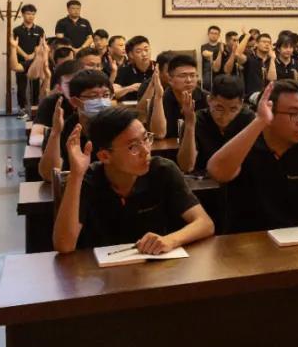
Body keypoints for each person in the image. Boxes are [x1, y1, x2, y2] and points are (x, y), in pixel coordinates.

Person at [52, 107, 214, 253]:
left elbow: (205, 223)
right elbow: (64, 245)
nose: (146, 151)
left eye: (146, 139)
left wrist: (170, 240)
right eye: (134, 147)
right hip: (100, 272)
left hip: (155, 268)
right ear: (105, 156)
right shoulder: (87, 180)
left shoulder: (163, 171)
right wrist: (76, 175)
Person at [207, 81, 298, 234]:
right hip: (249, 241)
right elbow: (217, 172)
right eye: (293, 114)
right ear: (270, 115)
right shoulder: (245, 147)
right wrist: (260, 121)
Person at [39, 68, 114, 182]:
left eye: (106, 95)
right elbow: (49, 175)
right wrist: (55, 133)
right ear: (74, 101)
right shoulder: (64, 129)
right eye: (93, 96)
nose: (101, 102)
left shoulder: (119, 126)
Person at [177, 74, 253, 173]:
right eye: (219, 108)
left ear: (241, 104)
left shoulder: (248, 120)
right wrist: (190, 125)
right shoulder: (197, 120)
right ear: (209, 100)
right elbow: (186, 166)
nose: (225, 116)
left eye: (233, 109)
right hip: (203, 180)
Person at [162, 54, 208, 139]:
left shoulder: (207, 99)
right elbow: (157, 134)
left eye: (192, 75)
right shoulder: (161, 99)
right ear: (170, 80)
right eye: (183, 76)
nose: (189, 80)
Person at [12, 3, 45, 113]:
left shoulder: (39, 30)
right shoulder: (17, 30)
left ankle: (35, 108)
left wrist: (32, 55)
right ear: (23, 14)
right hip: (20, 62)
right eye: (28, 14)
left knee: (35, 86)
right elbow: (14, 45)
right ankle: (22, 108)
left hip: (35, 61)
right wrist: (25, 55)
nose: (31, 16)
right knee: (21, 86)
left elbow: (41, 45)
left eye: (33, 14)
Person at [235, 32, 277, 98]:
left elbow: (272, 79)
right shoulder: (250, 58)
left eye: (269, 42)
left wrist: (272, 59)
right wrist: (247, 36)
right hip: (251, 96)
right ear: (256, 44)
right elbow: (237, 54)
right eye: (264, 42)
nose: (267, 44)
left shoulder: (272, 60)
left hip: (268, 96)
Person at [114, 35, 154, 100]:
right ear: (131, 55)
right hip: (131, 105)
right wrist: (130, 88)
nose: (144, 54)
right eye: (138, 51)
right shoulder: (124, 70)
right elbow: (115, 93)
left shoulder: (158, 68)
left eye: (146, 50)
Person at [200, 26, 224, 91]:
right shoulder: (204, 46)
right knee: (207, 82)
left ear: (219, 35)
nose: (213, 35)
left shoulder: (222, 45)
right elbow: (205, 54)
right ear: (208, 34)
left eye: (216, 33)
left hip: (221, 70)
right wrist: (219, 52)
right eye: (212, 33)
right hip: (208, 71)